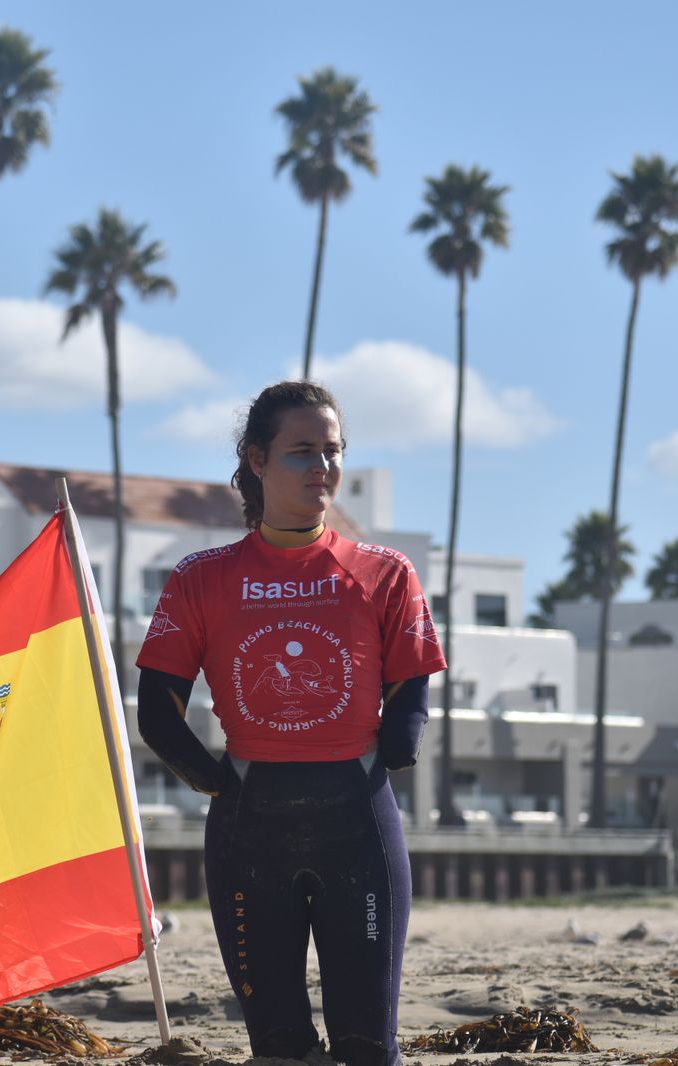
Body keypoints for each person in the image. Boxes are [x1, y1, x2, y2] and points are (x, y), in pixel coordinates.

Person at [135, 381, 445, 1066]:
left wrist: (399, 743)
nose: (322, 468)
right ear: (256, 458)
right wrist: (214, 780)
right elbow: (156, 708)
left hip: (358, 818)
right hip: (250, 826)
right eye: (302, 452)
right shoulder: (201, 578)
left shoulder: (383, 572)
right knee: (278, 1046)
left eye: (332, 451)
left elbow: (412, 679)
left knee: (366, 1048)